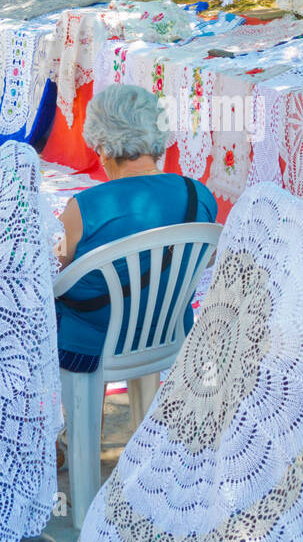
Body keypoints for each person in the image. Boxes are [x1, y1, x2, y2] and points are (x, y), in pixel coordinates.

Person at [54, 84, 217, 372]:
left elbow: (52, 268)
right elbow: (208, 258)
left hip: (93, 346)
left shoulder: (84, 207)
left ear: (102, 147)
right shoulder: (199, 195)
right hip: (169, 333)